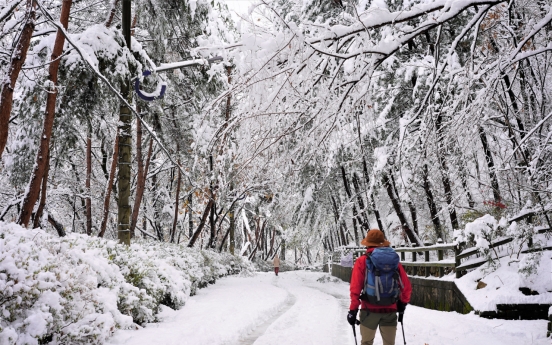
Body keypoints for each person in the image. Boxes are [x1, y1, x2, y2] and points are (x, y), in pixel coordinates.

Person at [347, 229, 412, 345]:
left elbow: (355, 288)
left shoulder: (362, 261)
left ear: (368, 244)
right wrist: (402, 305)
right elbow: (406, 286)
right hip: (390, 309)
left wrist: (353, 310)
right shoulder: (393, 261)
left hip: (368, 311)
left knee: (366, 342)